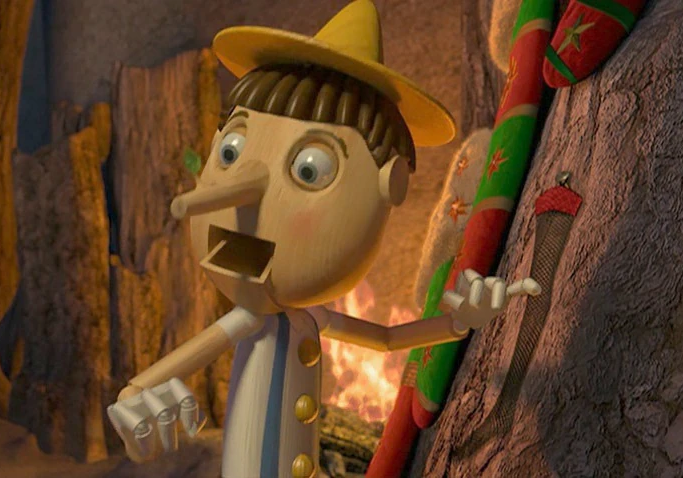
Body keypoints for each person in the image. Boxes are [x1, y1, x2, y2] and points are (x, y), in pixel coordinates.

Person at [107, 1, 540, 477]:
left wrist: (458, 323)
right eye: (230, 151)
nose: (243, 192)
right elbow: (157, 378)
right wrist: (135, 398)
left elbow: (387, 339)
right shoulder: (253, 319)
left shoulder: (306, 317)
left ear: (391, 183)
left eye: (310, 169)